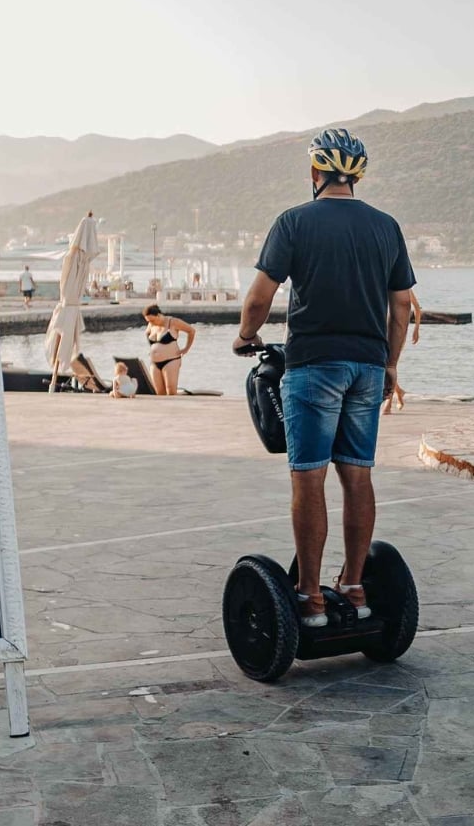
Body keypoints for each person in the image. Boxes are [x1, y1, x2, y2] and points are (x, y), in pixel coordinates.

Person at [233, 128, 415, 629]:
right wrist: (390, 363)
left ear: (315, 173)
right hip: (367, 365)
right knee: (357, 475)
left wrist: (245, 335)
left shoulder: (293, 222)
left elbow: (258, 298)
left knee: (308, 475)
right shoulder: (386, 227)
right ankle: (355, 588)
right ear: (357, 177)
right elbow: (400, 305)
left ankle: (310, 597)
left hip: (313, 364)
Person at [382, 290, 422, 414]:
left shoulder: (404, 288)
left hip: (398, 332)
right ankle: (399, 392)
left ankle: (388, 404)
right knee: (383, 365)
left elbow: (417, 308)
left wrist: (416, 329)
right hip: (382, 330)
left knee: (391, 364)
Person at [143, 303, 195, 395]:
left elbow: (191, 331)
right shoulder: (151, 324)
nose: (150, 323)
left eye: (152, 320)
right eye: (148, 321)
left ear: (158, 315)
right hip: (154, 363)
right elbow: (147, 333)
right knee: (159, 392)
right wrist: (152, 349)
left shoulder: (173, 322)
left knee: (170, 391)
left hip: (171, 360)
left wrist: (186, 348)